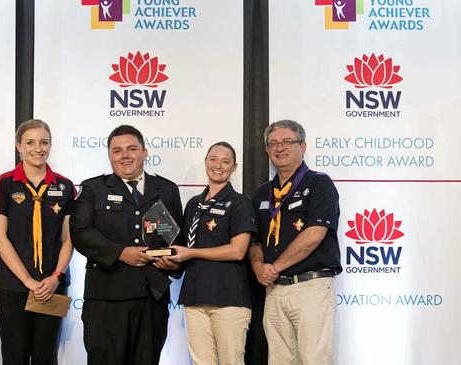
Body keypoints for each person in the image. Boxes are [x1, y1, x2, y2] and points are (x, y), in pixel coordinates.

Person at [70, 124, 183, 365]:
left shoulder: (167, 189)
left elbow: (177, 240)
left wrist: (173, 263)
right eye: (117, 150)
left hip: (151, 297)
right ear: (109, 155)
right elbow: (80, 232)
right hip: (106, 296)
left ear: (144, 151)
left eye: (132, 149)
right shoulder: (93, 189)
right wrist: (120, 253)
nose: (125, 156)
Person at [248, 120, 342, 365]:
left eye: (287, 141)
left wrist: (274, 267)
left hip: (310, 287)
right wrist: (259, 267)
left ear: (303, 146)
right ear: (267, 150)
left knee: (314, 360)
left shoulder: (319, 183)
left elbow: (313, 235)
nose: (280, 148)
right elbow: (254, 241)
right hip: (274, 290)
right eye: (273, 143)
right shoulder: (261, 193)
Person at [0, 119, 75, 365]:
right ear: (19, 147)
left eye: (44, 142)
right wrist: (27, 280)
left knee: (46, 357)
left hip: (51, 286)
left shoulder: (65, 186)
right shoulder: (2, 184)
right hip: (13, 285)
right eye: (30, 142)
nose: (38, 148)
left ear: (51, 145)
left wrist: (56, 276)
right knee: (15, 356)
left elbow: (69, 239)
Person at [169, 141, 257, 365]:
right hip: (195, 297)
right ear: (206, 162)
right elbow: (183, 248)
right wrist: (169, 259)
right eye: (213, 159)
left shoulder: (239, 203)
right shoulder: (193, 204)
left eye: (226, 161)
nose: (219, 165)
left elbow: (237, 251)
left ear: (234, 167)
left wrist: (191, 253)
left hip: (228, 299)